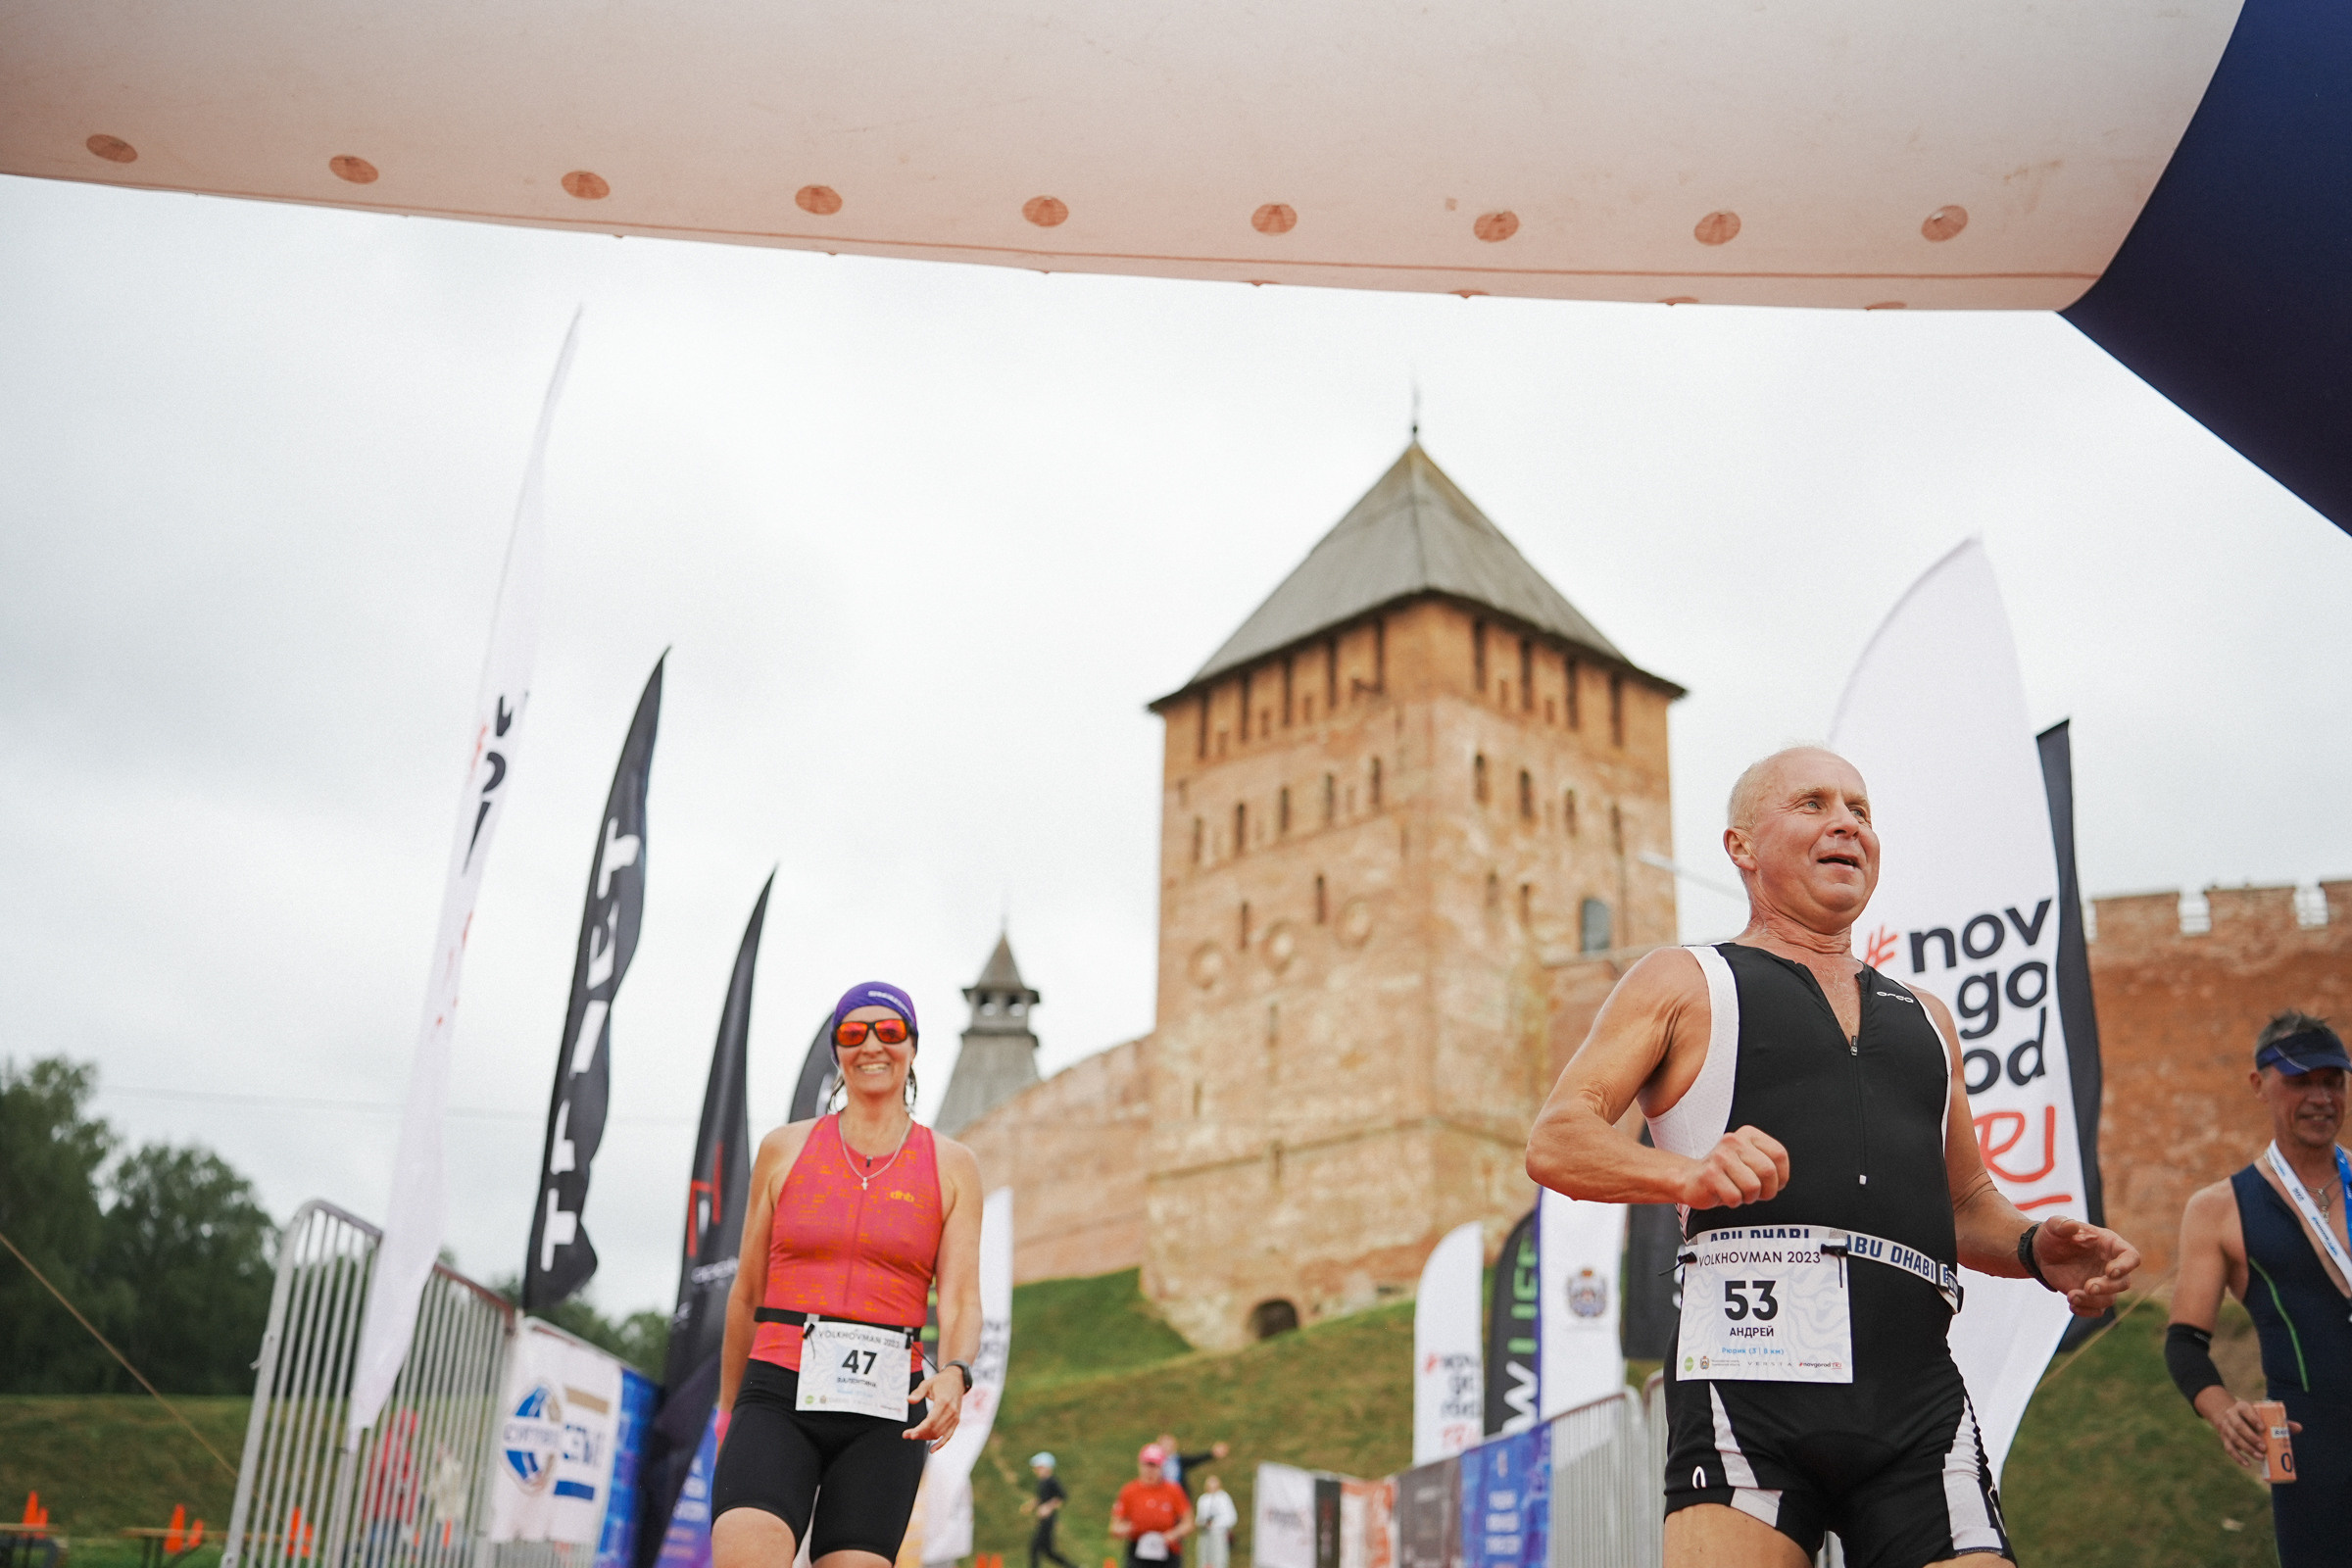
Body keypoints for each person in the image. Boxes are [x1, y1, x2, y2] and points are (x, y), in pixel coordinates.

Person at [1524, 747, 2139, 1568]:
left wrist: (2033, 1246)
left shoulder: (1927, 1017)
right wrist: (1688, 1174)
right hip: (1748, 1386)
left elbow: (1962, 1207)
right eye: (1813, 804)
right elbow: (1558, 1138)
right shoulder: (1684, 980)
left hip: (1913, 1395)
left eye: (1861, 810)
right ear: (1741, 846)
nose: (1846, 822)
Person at [710, 981, 985, 1568]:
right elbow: (747, 1294)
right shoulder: (783, 1149)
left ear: (912, 1046)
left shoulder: (953, 1165)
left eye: (889, 1032)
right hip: (777, 1392)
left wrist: (957, 1371)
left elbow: (960, 1299)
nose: (871, 1046)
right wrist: (728, 1411)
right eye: (852, 1033)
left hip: (886, 1413)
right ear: (837, 1049)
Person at [2167, 1010, 2352, 1568]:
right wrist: (2223, 1410)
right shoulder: (2219, 1209)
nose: (2321, 1097)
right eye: (2300, 1081)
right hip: (2308, 1455)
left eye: (2333, 1080)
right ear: (2258, 1084)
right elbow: (2184, 1343)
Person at [1110, 1445, 1194, 1568]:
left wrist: (1174, 1534)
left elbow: (1188, 1522)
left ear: (1161, 1467)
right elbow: (1115, 1526)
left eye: (1154, 1465)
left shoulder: (1173, 1490)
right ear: (1140, 1465)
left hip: (1167, 1550)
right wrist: (1124, 1529)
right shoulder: (1129, 1491)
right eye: (1147, 1464)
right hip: (1138, 1550)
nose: (1150, 1469)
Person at [1022, 1451, 1079, 1568]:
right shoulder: (1041, 1482)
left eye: (1039, 1467)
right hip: (1043, 1519)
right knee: (1048, 1551)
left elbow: (1061, 1496)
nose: (1037, 1470)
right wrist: (1031, 1505)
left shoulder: (1052, 1481)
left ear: (1047, 1467)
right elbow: (1042, 1499)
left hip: (1049, 1519)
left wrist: (1048, 1507)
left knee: (1035, 1547)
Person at [1153, 1434, 1229, 1496]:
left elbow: (1196, 1459)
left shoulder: (1178, 1460)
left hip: (1179, 1495)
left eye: (1170, 1444)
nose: (1167, 1447)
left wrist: (1212, 1454)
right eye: (1165, 1444)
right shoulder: (1154, 1462)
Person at [1192, 1476, 1237, 1568]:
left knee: (1219, 1560)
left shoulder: (1223, 1498)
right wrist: (1203, 1523)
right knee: (1203, 1560)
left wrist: (1215, 1524)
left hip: (1218, 1533)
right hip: (1204, 1534)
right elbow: (1198, 1518)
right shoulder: (1203, 1499)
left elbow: (1231, 1517)